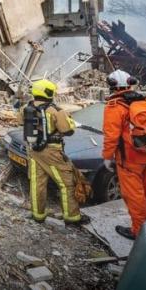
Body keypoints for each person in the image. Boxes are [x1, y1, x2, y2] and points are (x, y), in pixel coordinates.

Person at [102, 69, 146, 240]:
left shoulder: (115, 106)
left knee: (134, 196)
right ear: (130, 83)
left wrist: (107, 157)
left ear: (112, 85)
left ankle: (138, 231)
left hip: (130, 159)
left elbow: (111, 136)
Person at [24, 79, 90, 225]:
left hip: (33, 150)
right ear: (48, 92)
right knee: (66, 183)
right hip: (52, 151)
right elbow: (68, 131)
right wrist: (70, 121)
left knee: (37, 183)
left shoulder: (26, 107)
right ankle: (72, 217)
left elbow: (20, 122)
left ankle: (38, 215)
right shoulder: (55, 110)